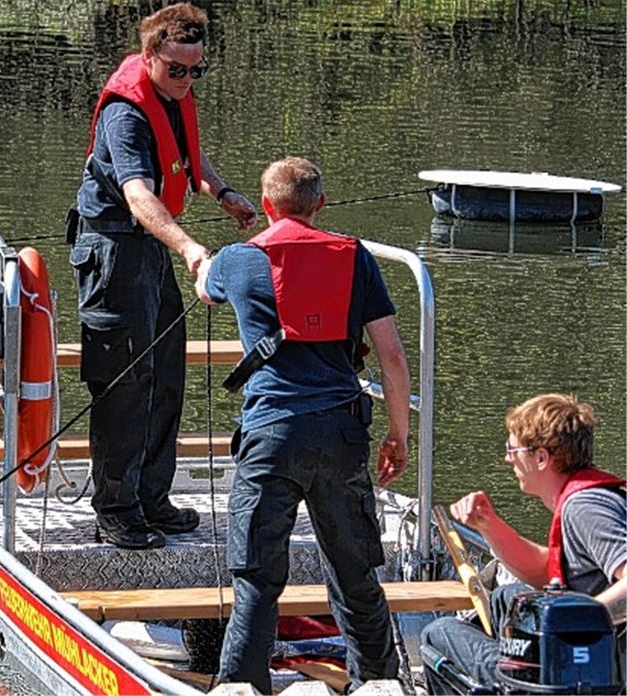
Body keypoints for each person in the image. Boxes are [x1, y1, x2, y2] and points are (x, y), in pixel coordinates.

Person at [195, 156, 411, 693]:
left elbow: (204, 287)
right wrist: (397, 435)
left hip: (271, 433)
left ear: (266, 206)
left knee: (257, 578)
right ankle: (379, 683)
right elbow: (392, 357)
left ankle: (242, 684)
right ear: (321, 204)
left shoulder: (239, 260)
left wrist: (201, 258)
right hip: (341, 431)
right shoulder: (355, 257)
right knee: (354, 571)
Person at [69, 3, 257, 550]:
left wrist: (222, 195)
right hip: (113, 250)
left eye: (197, 70)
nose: (187, 79)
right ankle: (116, 509)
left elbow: (188, 158)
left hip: (152, 247)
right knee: (124, 384)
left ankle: (153, 497)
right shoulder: (125, 115)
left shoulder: (174, 94)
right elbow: (138, 194)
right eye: (177, 69)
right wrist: (193, 250)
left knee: (167, 373)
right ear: (150, 55)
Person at [420, 393, 626, 694]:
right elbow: (548, 572)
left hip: (593, 671)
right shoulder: (582, 499)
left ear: (541, 457)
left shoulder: (586, 507)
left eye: (512, 449)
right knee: (508, 598)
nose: (507, 459)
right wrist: (489, 524)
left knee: (438, 634)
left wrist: (565, 625)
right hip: (590, 658)